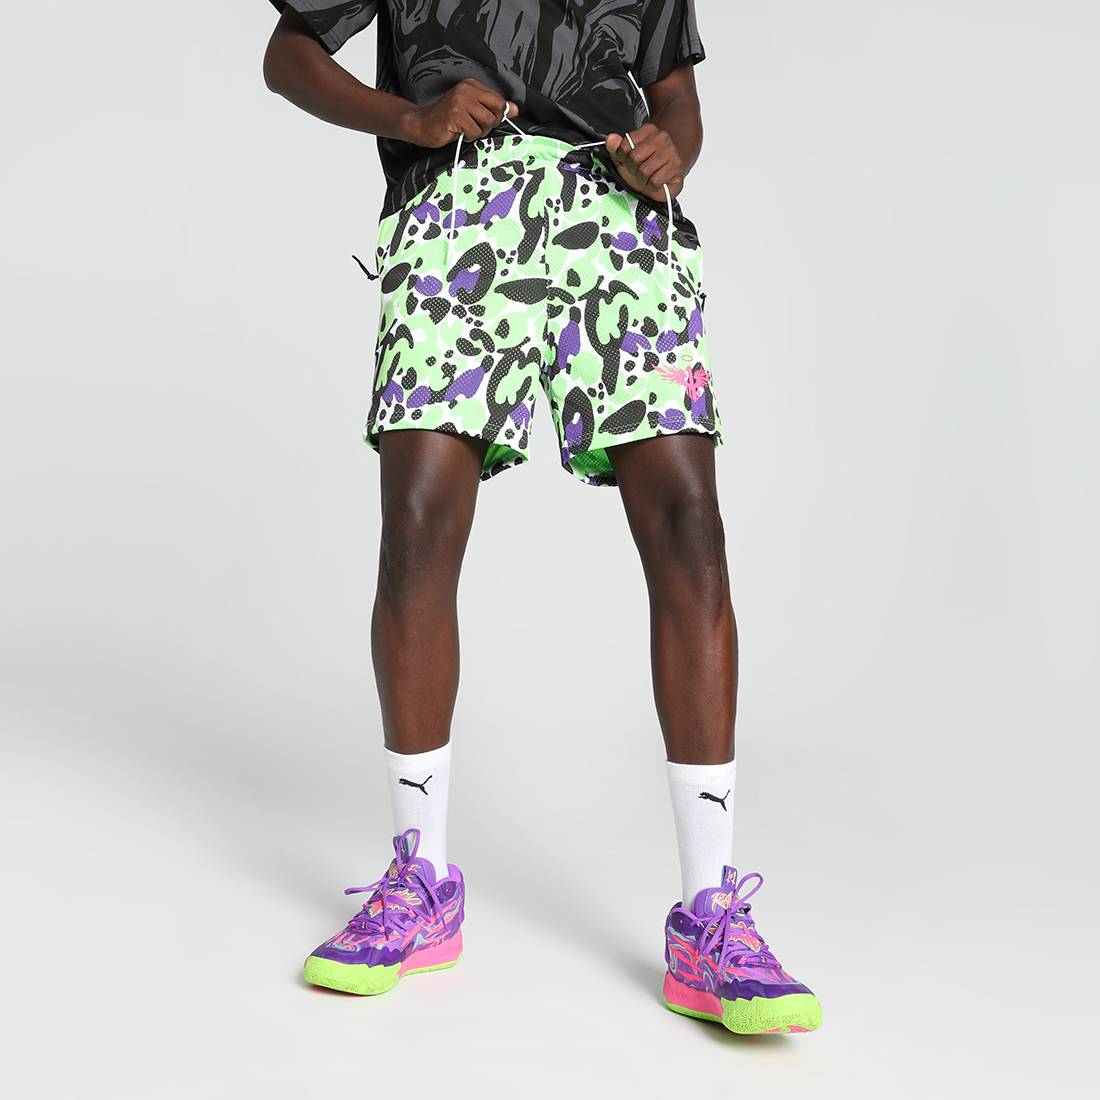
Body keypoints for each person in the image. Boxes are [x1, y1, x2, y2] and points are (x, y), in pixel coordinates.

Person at [262, 0, 820, 1035]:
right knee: (418, 524)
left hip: (618, 212)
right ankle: (420, 883)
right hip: (459, 203)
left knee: (690, 528)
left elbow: (677, 96)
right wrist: (409, 118)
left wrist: (673, 148)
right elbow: (287, 54)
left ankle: (710, 916)